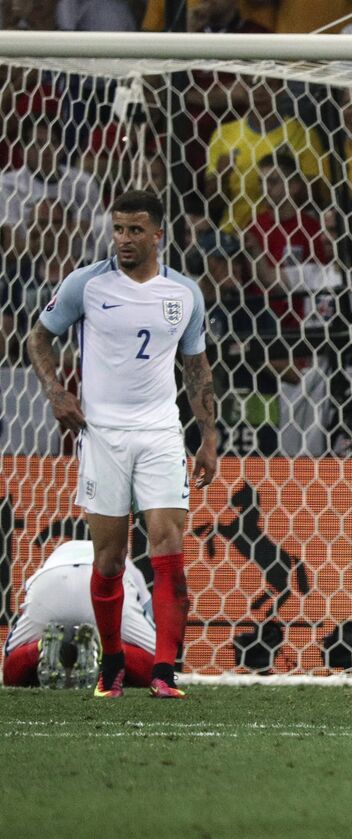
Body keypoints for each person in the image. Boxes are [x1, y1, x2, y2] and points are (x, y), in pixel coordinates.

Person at [26, 189, 219, 699]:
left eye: (135, 230)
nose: (124, 239)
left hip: (160, 432)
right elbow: (38, 338)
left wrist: (208, 435)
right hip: (103, 435)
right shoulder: (86, 284)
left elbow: (196, 368)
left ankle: (164, 673)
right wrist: (56, 391)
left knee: (168, 545)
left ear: (158, 234)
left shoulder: (184, 294)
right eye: (118, 229)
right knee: (110, 560)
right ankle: (111, 664)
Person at [2, 540, 157, 689]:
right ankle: (100, 649)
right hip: (106, 584)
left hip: (50, 580)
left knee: (10, 671)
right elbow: (149, 612)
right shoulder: (127, 564)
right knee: (159, 669)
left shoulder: (60, 552)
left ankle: (41, 648)